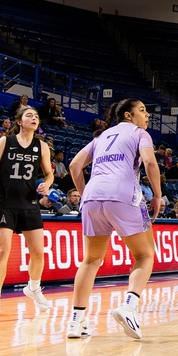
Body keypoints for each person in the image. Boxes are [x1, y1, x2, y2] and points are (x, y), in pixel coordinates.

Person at [65, 98, 163, 340]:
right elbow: (150, 161)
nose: (147, 115)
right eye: (142, 110)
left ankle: (75, 322)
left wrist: (86, 190)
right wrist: (158, 195)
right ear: (128, 116)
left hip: (91, 198)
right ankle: (128, 307)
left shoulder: (101, 136)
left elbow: (75, 165)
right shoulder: (140, 133)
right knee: (145, 255)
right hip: (122, 195)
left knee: (90, 260)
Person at [0, 106, 55, 318]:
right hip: (5, 204)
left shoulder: (41, 146)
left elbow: (49, 175)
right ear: (20, 121)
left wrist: (47, 185)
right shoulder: (6, 141)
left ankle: (33, 287)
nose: (34, 118)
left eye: (37, 116)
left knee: (38, 252)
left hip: (30, 203)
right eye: (29, 115)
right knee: (2, 252)